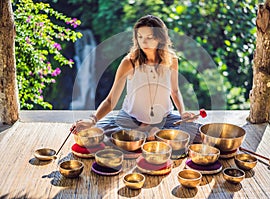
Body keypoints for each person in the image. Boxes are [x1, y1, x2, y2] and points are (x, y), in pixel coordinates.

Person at [71, 15, 200, 141]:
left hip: (165, 118)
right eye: (140, 37)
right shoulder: (129, 62)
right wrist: (92, 120)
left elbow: (175, 91)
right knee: (97, 132)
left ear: (160, 38)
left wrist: (183, 113)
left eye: (149, 37)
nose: (144, 42)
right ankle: (153, 135)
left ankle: (147, 134)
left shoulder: (172, 60)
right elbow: (111, 101)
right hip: (130, 118)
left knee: (198, 133)